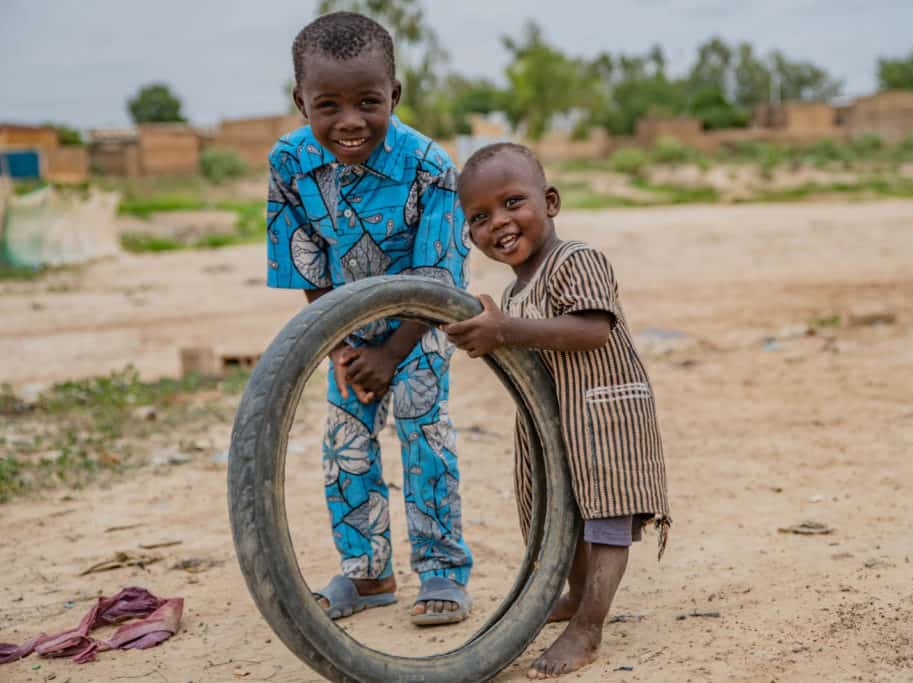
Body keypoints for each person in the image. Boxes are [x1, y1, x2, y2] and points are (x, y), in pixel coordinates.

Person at [265, 11, 472, 626]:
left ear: (395, 96)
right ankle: (369, 574)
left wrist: (394, 351)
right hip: (343, 334)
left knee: (423, 435)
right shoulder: (290, 164)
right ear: (300, 101)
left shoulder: (430, 165)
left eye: (369, 102)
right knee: (345, 446)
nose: (350, 121)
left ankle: (441, 570)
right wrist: (338, 349)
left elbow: (440, 277)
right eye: (328, 104)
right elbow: (304, 261)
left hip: (421, 327)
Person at [444, 143, 671, 678]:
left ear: (550, 202)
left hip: (605, 416)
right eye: (479, 217)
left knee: (607, 518)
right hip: (555, 426)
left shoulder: (577, 261)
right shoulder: (516, 289)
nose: (498, 222)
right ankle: (571, 596)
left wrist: (505, 331)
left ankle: (589, 626)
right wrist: (490, 335)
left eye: (513, 202)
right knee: (557, 516)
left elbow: (593, 329)